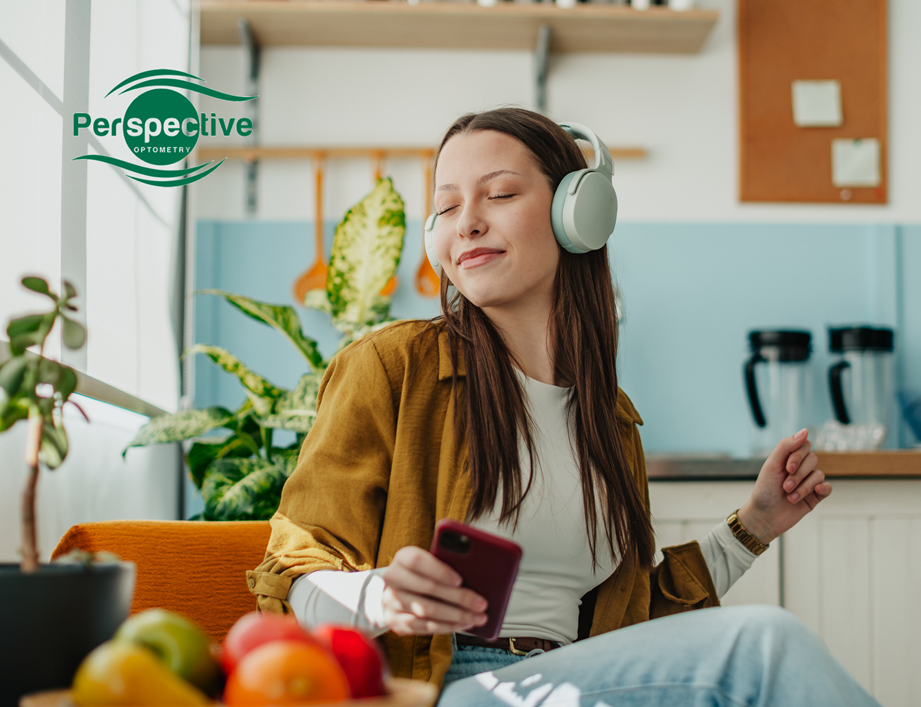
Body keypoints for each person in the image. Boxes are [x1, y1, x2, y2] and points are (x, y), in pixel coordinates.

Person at [248, 107, 882, 707]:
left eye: (498, 195)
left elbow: (637, 627)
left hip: (578, 676)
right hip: (452, 684)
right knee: (765, 647)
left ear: (578, 214)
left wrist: (756, 526)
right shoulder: (392, 366)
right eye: (446, 206)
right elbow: (291, 575)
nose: (466, 221)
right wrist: (378, 597)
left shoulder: (609, 418)